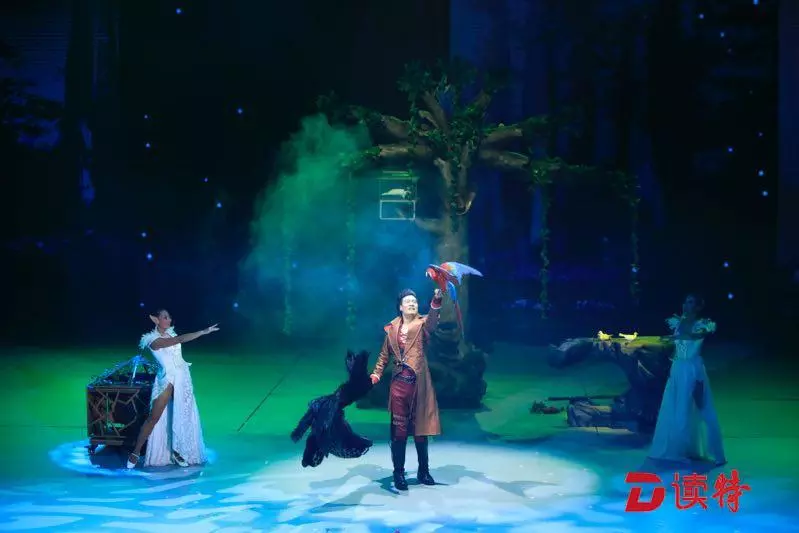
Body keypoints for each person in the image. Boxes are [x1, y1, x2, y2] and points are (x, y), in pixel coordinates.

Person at [370, 287, 443, 491]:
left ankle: (423, 471)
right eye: (408, 301)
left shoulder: (423, 324)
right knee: (399, 431)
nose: (412, 303)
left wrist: (436, 300)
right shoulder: (392, 328)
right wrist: (376, 374)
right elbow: (384, 355)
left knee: (420, 430)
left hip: (419, 383)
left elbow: (433, 321)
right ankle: (399, 473)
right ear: (400, 307)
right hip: (399, 385)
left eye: (415, 301)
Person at [126, 309, 219, 469]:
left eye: (169, 317)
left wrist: (204, 332)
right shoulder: (152, 340)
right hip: (167, 379)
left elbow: (178, 341)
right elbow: (180, 339)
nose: (169, 320)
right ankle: (135, 452)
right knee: (154, 417)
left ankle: (178, 451)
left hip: (182, 378)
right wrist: (203, 331)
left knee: (182, 415)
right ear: (156, 320)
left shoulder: (171, 334)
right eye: (165, 317)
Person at [648, 294, 726, 465]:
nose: (685, 305)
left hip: (693, 369)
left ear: (697, 307)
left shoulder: (703, 324)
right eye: (685, 301)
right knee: (675, 407)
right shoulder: (678, 322)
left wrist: (674, 337)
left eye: (690, 302)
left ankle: (716, 453)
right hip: (678, 368)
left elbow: (693, 337)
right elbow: (677, 347)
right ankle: (678, 450)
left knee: (701, 407)